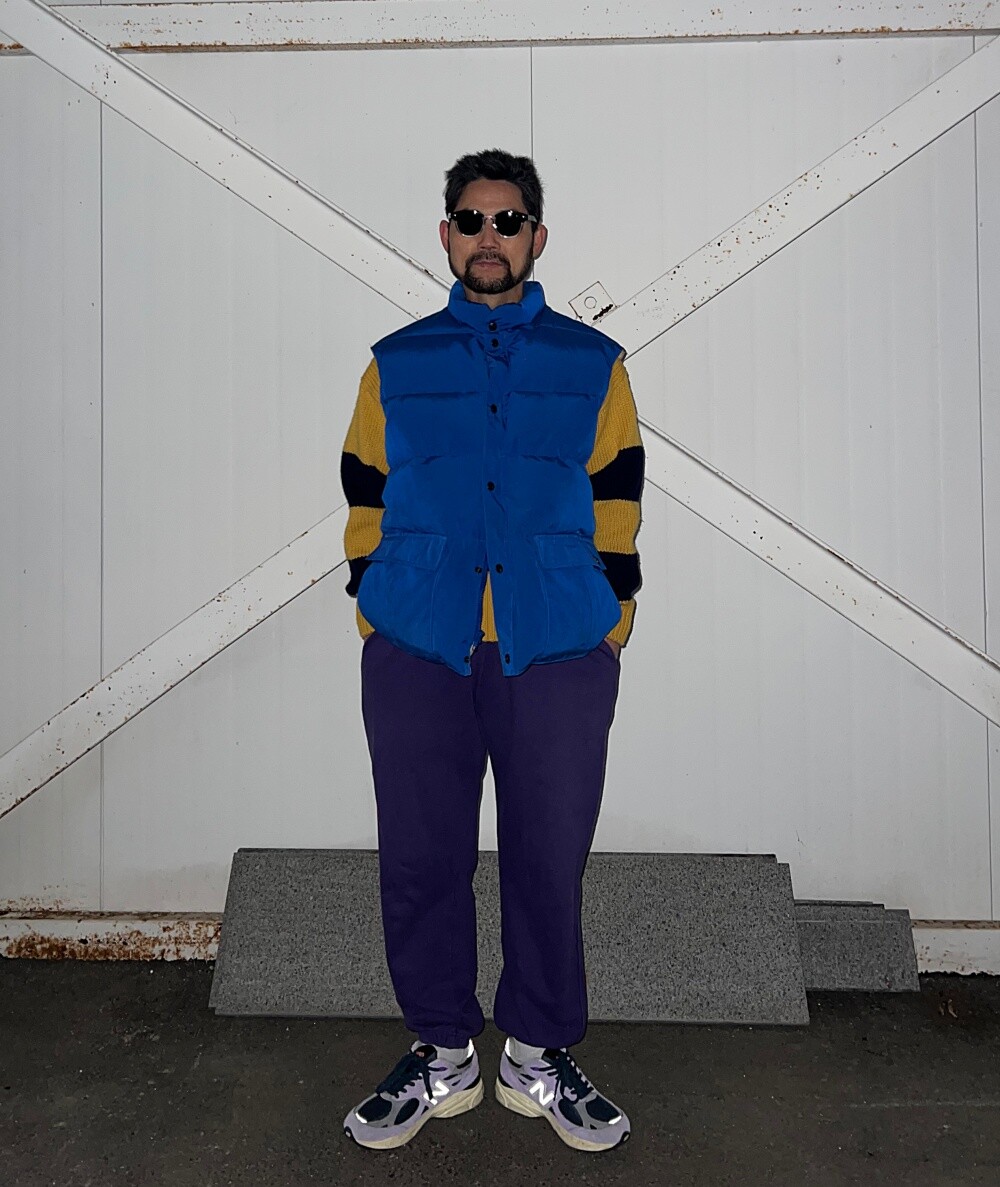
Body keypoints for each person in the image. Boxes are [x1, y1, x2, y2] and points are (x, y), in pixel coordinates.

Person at [339, 148, 644, 1153]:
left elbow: (616, 497)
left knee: (547, 858)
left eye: (508, 221)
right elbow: (364, 490)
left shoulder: (593, 363)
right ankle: (442, 1051)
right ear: (446, 235)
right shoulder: (396, 362)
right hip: (418, 647)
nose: (488, 237)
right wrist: (377, 604)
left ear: (536, 237)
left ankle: (536, 1055)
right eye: (471, 219)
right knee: (420, 857)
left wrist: (609, 618)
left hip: (556, 647)